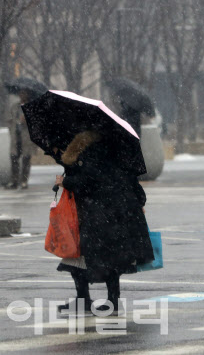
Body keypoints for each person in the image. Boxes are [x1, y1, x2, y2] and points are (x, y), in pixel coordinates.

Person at [53, 130, 154, 315]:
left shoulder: (91, 154)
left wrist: (65, 181)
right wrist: (138, 204)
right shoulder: (119, 153)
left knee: (79, 255)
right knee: (112, 258)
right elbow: (136, 187)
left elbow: (88, 181)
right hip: (120, 212)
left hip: (99, 214)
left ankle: (88, 300)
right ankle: (111, 300)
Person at [6, 91, 34, 189]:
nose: (22, 95)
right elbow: (9, 120)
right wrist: (12, 128)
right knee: (14, 158)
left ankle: (24, 181)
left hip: (26, 138)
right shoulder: (15, 107)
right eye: (21, 93)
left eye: (24, 93)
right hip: (16, 136)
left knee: (26, 160)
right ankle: (14, 180)